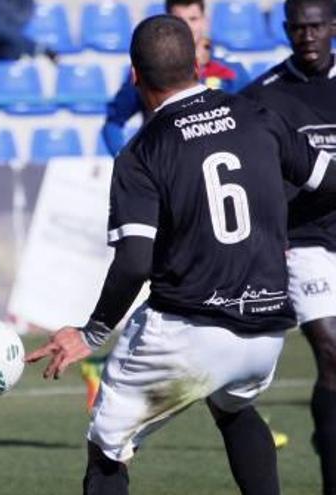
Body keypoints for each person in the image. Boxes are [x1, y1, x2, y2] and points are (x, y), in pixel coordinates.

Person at [26, 15, 336, 494]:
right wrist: (281, 218)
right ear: (198, 63)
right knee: (232, 407)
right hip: (267, 330)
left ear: (134, 76)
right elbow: (329, 182)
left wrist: (92, 333)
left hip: (187, 331)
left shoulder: (142, 151)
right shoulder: (257, 115)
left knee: (108, 449)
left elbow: (133, 262)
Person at [242, 0, 336, 492]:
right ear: (285, 31)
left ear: (333, 27)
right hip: (305, 242)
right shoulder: (264, 96)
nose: (307, 37)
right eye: (298, 29)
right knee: (331, 348)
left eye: (316, 26)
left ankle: (330, 434)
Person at [99, 0, 249, 158]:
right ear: (167, 21)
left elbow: (249, 120)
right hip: (163, 167)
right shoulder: (146, 66)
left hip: (218, 166)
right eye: (180, 21)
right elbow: (113, 122)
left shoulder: (231, 69)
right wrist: (124, 160)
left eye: (193, 19)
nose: (187, 28)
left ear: (205, 21)